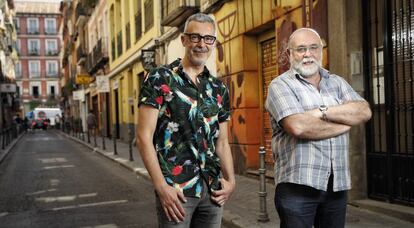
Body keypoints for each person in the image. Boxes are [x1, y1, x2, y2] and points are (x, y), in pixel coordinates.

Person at [265, 28, 372, 228]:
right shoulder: (280, 85)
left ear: (321, 50)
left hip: (336, 185)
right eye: (301, 49)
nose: (308, 54)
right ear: (289, 54)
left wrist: (321, 111)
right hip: (297, 187)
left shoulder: (337, 82)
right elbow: (297, 126)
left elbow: (364, 111)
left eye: (313, 48)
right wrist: (343, 124)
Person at [137, 13, 235, 228]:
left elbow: (223, 142)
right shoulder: (159, 78)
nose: (202, 44)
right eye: (195, 37)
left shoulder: (219, 89)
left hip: (213, 190)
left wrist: (231, 181)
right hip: (177, 192)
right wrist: (161, 187)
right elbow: (143, 137)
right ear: (183, 40)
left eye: (208, 39)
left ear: (214, 43)